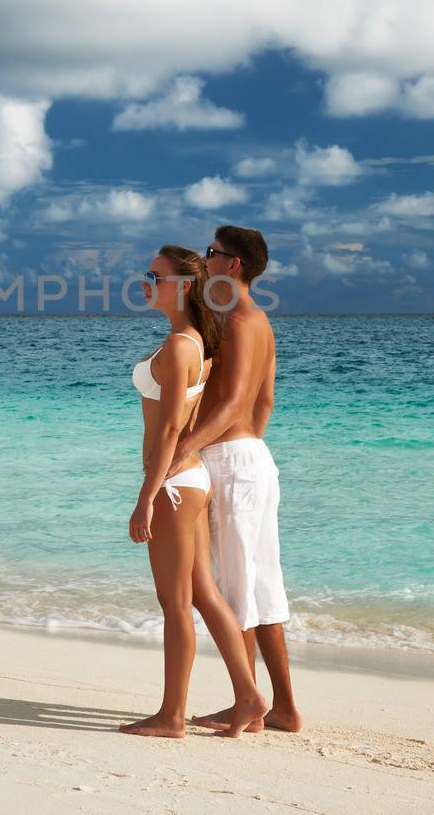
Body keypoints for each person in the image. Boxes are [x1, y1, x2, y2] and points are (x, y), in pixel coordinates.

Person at [120, 245, 269, 739]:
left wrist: (146, 496)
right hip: (187, 480)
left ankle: (172, 716)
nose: (144, 281)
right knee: (202, 594)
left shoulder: (182, 345)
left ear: (183, 286)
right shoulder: (187, 340)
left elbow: (167, 433)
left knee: (175, 601)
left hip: (174, 485)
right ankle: (248, 697)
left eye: (154, 275)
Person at [170, 226, 302, 734]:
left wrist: (188, 446)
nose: (205, 259)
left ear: (234, 265)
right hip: (249, 457)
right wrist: (247, 445)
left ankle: (247, 702)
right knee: (261, 588)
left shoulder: (241, 320)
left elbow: (232, 401)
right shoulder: (253, 320)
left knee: (237, 590)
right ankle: (283, 708)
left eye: (212, 253)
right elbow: (263, 401)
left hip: (233, 460)